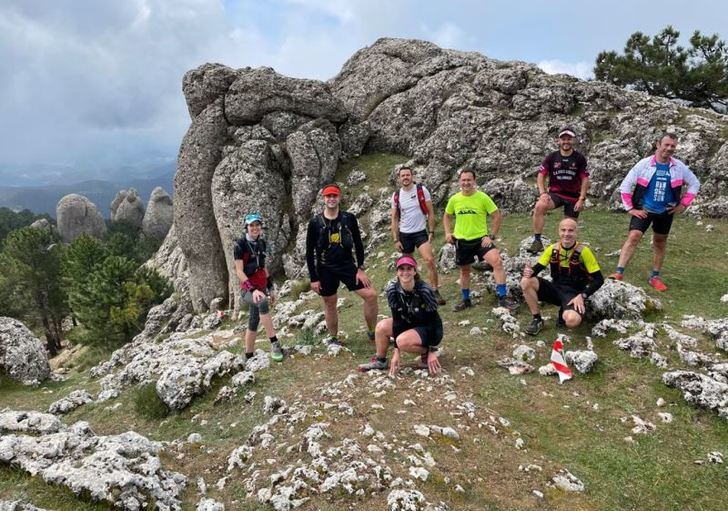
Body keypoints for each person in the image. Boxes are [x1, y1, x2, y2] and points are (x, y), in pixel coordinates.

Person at [610, 133, 700, 291]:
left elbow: (694, 184)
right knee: (634, 236)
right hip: (644, 209)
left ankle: (655, 276)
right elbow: (625, 186)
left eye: (673, 146)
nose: (669, 148)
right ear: (658, 144)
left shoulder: (679, 167)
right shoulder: (644, 164)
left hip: (666, 211)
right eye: (666, 145)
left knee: (660, 241)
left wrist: (683, 205)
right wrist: (631, 208)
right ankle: (618, 272)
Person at [305, 183, 378, 345]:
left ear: (339, 197)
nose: (331, 199)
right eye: (328, 196)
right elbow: (310, 252)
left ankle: (373, 332)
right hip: (325, 268)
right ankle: (333, 338)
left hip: (347, 265)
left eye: (334, 196)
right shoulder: (315, 223)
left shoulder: (349, 218)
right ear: (323, 199)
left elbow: (359, 244)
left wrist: (360, 269)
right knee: (330, 302)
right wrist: (314, 278)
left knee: (371, 295)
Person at [443, 169, 517, 311]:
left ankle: (502, 298)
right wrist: (447, 233)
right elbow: (447, 216)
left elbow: (496, 215)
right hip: (462, 241)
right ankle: (466, 300)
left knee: (497, 262)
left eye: (469, 180)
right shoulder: (455, 199)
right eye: (463, 180)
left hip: (480, 240)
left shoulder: (483, 197)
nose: (466, 183)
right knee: (465, 271)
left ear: (474, 181)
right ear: (460, 182)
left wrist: (491, 236)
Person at [358, 255, 442, 376]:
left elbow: (433, 321)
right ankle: (380, 360)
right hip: (408, 322)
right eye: (401, 269)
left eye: (409, 268)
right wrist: (396, 352)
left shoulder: (425, 291)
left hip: (428, 327)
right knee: (381, 327)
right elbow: (398, 321)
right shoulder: (392, 290)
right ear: (397, 272)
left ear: (414, 271)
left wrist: (432, 349)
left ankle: (426, 352)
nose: (405, 272)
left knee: (402, 341)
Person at [521, 218, 604, 334]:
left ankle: (565, 312)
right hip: (555, 290)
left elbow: (599, 280)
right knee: (526, 281)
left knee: (572, 321)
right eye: (563, 230)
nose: (566, 234)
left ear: (576, 232)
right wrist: (529, 272)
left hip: (573, 294)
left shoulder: (584, 252)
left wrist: (583, 295)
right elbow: (537, 269)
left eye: (570, 230)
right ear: (559, 231)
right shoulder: (552, 249)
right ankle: (537, 319)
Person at [528, 127, 590, 254]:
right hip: (556, 194)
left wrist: (581, 199)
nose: (566, 142)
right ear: (558, 141)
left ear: (573, 140)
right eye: (563, 139)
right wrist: (543, 193)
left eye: (569, 139)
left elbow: (585, 179)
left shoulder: (579, 158)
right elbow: (541, 175)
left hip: (573, 196)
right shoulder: (551, 157)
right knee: (540, 205)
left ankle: (566, 250)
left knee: (569, 227)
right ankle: (537, 241)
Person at [390, 165, 446, 305]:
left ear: (412, 176)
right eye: (402, 175)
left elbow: (430, 212)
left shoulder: (421, 190)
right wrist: (396, 239)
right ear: (399, 178)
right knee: (407, 267)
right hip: (404, 234)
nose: (405, 177)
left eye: (407, 175)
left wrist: (431, 231)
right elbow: (394, 218)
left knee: (430, 260)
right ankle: (411, 292)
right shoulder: (396, 195)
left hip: (420, 232)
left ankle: (434, 291)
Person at [233, 213, 283, 362]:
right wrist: (253, 290)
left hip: (260, 286)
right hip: (248, 289)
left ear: (260, 226)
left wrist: (270, 288)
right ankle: (274, 343)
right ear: (246, 227)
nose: (255, 228)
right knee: (262, 302)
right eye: (251, 225)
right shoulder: (240, 245)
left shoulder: (261, 243)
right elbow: (239, 271)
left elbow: (263, 268)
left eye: (257, 225)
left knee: (253, 320)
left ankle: (248, 355)